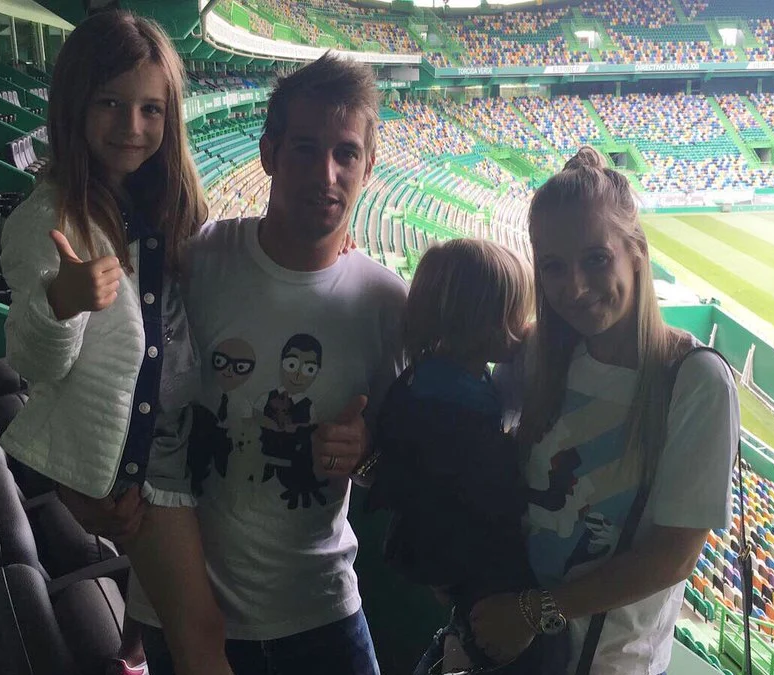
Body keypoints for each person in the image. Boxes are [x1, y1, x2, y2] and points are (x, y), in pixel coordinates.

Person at [85, 52, 404, 674]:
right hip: (182, 611)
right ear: (268, 155)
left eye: (346, 153)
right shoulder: (196, 261)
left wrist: (365, 449)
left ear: (369, 166)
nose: (327, 173)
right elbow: (109, 379)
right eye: (305, 149)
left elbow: (391, 465)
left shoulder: (388, 304)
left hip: (320, 606)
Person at [0, 11, 230, 675]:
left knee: (169, 612)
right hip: (138, 463)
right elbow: (37, 366)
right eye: (111, 104)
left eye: (151, 109)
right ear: (74, 105)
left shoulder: (164, 196)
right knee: (202, 630)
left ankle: (131, 653)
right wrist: (61, 303)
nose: (133, 127)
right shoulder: (46, 219)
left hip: (186, 441)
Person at [469, 147, 740, 674]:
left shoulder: (695, 381)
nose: (574, 287)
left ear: (636, 252)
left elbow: (672, 557)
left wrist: (530, 613)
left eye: (596, 259)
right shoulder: (536, 357)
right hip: (517, 654)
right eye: (553, 266)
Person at [367, 239, 571, 675]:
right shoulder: (459, 408)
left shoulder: (425, 380)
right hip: (464, 559)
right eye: (519, 314)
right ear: (490, 325)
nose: (526, 326)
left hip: (428, 548)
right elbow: (499, 494)